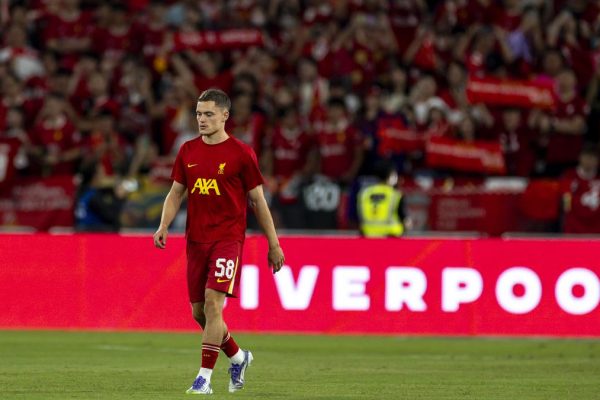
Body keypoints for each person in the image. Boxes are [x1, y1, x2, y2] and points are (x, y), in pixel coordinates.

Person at [152, 88, 285, 395]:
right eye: (199, 114)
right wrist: (164, 225)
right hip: (196, 240)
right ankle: (238, 357)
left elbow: (257, 201)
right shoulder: (188, 150)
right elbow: (175, 193)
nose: (202, 119)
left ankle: (204, 379)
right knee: (199, 312)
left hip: (227, 239)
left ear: (225, 115)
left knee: (214, 303)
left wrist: (274, 244)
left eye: (209, 114)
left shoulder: (241, 153)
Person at [357, 159, 409, 237]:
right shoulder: (395, 195)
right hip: (391, 237)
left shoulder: (364, 193)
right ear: (390, 176)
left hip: (368, 236)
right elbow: (405, 221)